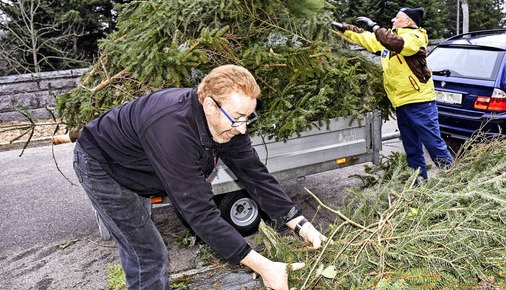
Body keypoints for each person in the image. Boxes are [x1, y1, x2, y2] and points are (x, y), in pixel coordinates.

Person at [72, 64, 328, 290]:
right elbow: (199, 212)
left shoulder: (225, 122)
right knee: (148, 253)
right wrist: (263, 266)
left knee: (143, 246)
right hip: (103, 166)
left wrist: (299, 222)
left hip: (141, 163)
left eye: (249, 118)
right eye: (238, 118)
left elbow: (254, 174)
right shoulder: (173, 132)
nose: (243, 128)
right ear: (209, 105)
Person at [332, 7, 453, 179]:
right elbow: (367, 38)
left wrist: (374, 26)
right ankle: (418, 185)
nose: (393, 20)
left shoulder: (415, 37)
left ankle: (454, 179)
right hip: (401, 104)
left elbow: (396, 43)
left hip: (420, 102)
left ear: (408, 22)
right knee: (412, 148)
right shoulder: (388, 40)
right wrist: (344, 28)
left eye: (397, 17)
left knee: (434, 145)